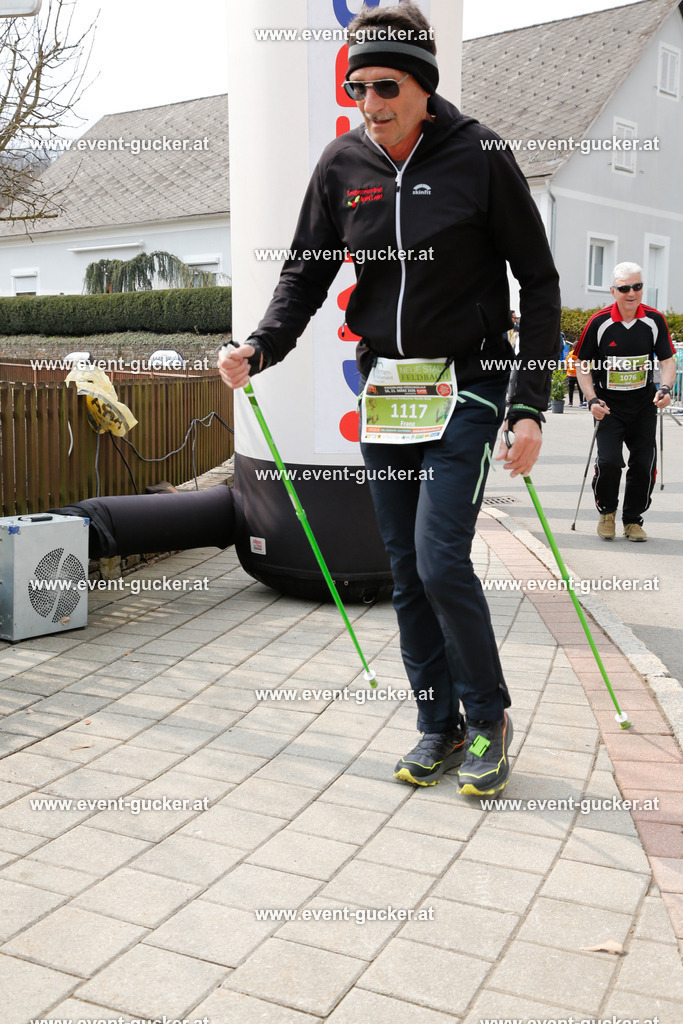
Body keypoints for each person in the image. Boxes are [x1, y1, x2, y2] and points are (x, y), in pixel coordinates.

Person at [219, 3, 561, 796]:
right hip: (389, 389)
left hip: (470, 381)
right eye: (356, 86)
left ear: (422, 86)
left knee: (442, 558)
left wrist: (528, 403)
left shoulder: (479, 155)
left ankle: (488, 719)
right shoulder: (343, 165)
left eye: (385, 86)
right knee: (404, 566)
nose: (368, 103)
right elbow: (304, 274)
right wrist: (260, 345)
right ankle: (434, 725)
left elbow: (537, 283)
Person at [574, 262, 675, 542]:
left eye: (637, 287)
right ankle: (607, 512)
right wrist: (591, 398)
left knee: (643, 464)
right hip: (608, 407)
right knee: (609, 462)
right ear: (613, 291)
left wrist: (665, 388)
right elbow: (582, 364)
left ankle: (632, 520)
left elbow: (667, 360)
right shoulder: (600, 322)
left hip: (643, 406)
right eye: (625, 288)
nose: (632, 293)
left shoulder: (654, 320)